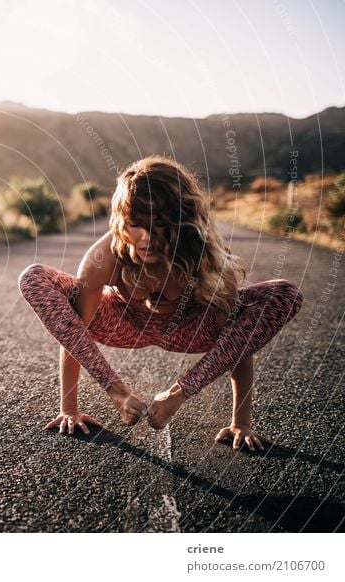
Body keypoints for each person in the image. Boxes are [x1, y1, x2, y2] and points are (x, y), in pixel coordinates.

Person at [17, 155, 304, 450]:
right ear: (119, 221)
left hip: (190, 329)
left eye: (161, 224)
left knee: (285, 293)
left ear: (184, 221)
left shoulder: (210, 260)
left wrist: (239, 421)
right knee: (34, 277)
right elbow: (73, 331)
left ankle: (176, 395)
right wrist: (74, 406)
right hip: (122, 324)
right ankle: (118, 390)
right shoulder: (102, 258)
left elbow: (237, 344)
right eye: (134, 224)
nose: (146, 238)